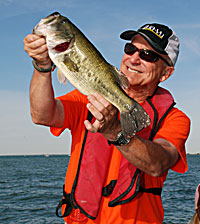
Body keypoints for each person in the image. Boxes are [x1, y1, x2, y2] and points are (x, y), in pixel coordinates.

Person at [24, 22, 190, 224]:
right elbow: (41, 115)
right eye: (130, 49)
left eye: (148, 55)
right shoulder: (87, 97)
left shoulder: (175, 119)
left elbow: (158, 164)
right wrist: (42, 67)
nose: (134, 59)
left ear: (166, 73)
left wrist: (115, 132)